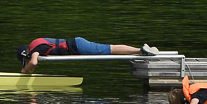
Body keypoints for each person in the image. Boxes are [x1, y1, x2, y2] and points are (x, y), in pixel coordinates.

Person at [17, 37, 159, 74]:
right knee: (109, 48)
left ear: (26, 54)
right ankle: (139, 50)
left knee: (109, 49)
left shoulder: (35, 48)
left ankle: (140, 50)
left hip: (78, 46)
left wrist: (24, 71)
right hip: (76, 45)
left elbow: (34, 63)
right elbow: (32, 64)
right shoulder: (36, 45)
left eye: (25, 60)